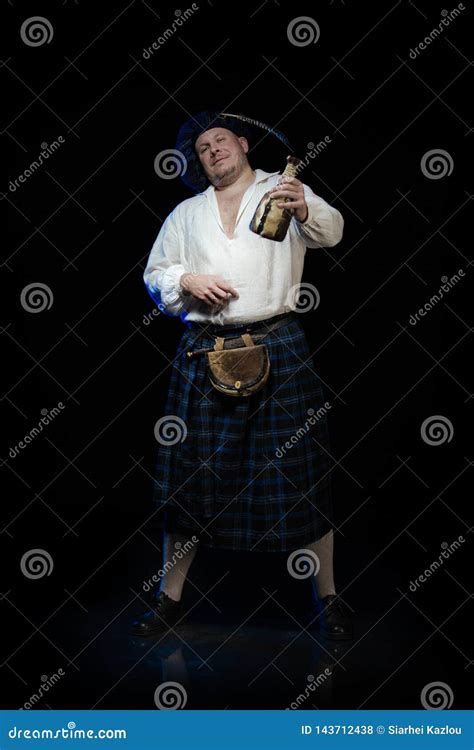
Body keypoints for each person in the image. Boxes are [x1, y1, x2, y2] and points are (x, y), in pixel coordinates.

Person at [132, 111, 352, 640]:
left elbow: (333, 231)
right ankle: (169, 598)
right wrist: (187, 277)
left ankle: (330, 600)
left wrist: (305, 209)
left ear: (244, 144)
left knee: (304, 481)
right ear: (199, 162)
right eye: (204, 147)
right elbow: (155, 273)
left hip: (277, 344)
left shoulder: (284, 188)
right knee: (188, 486)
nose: (213, 151)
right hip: (203, 352)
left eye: (221, 141)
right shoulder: (186, 215)